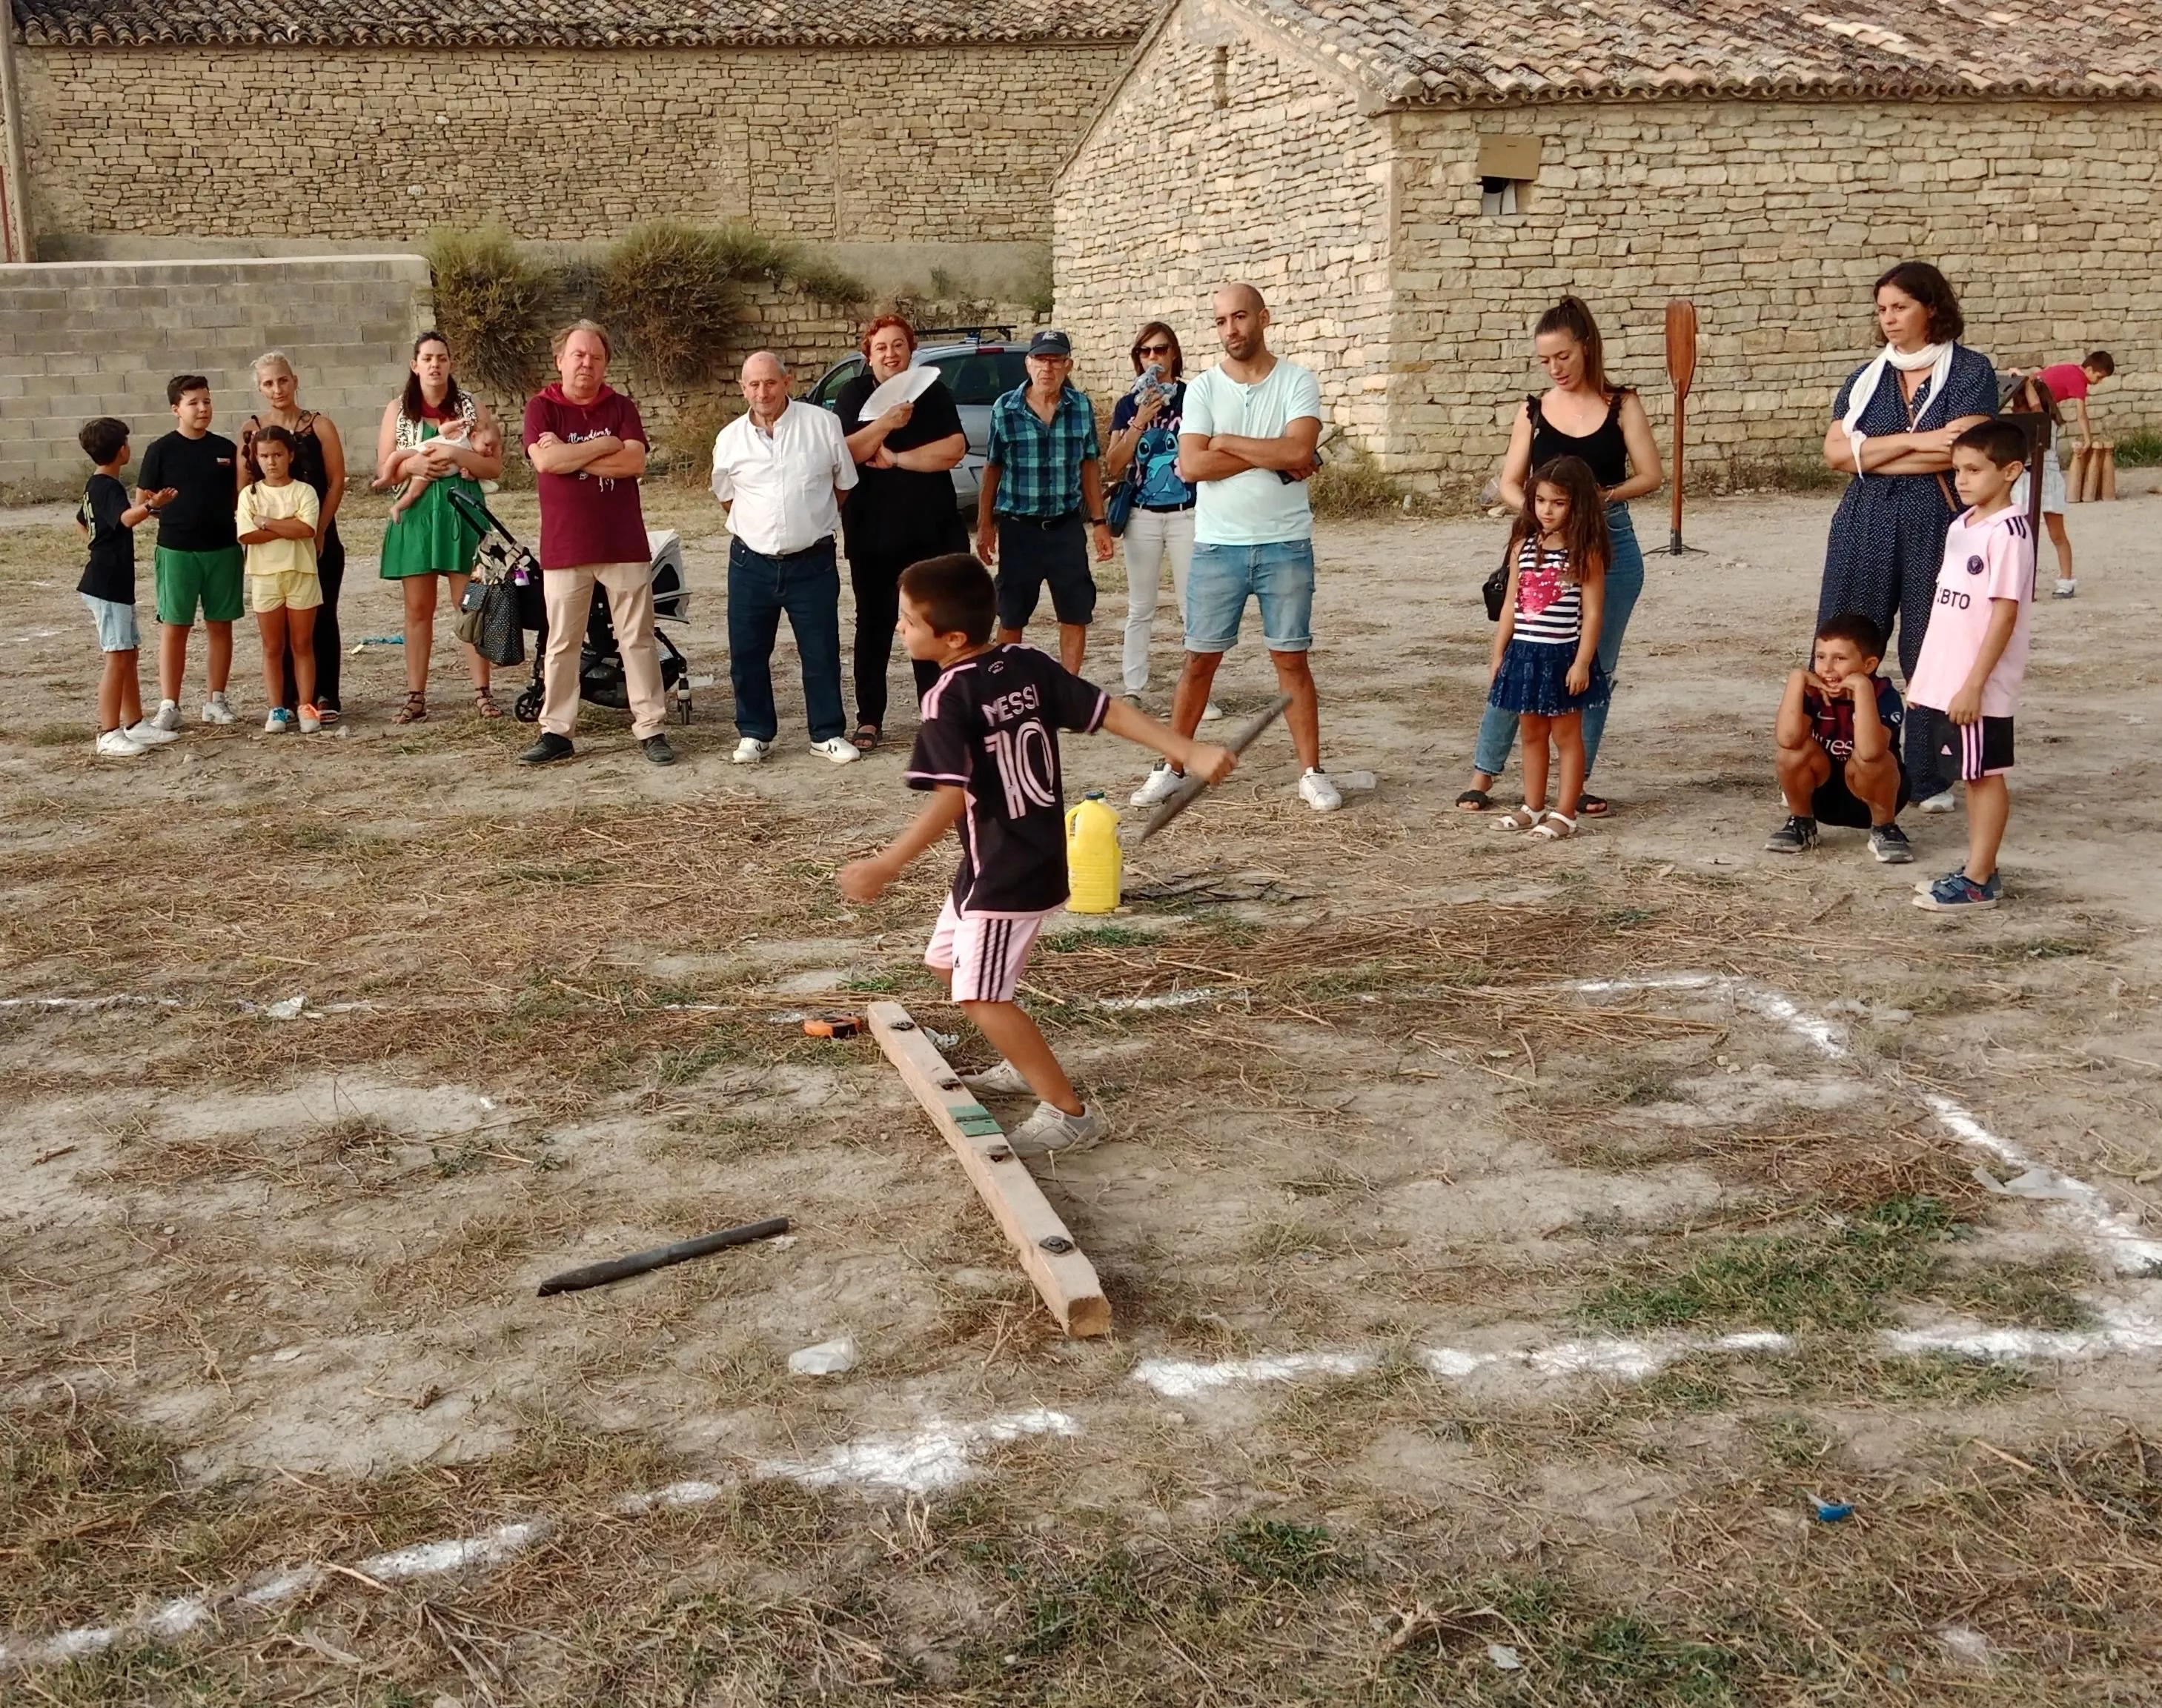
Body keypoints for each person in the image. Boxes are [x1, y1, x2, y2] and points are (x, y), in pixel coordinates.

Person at [836, 553, 1234, 1157]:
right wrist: (1187, 748)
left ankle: (1068, 1113)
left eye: (908, 622)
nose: (900, 630)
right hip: (996, 860)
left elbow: (950, 797)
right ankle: (1020, 1061)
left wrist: (887, 863)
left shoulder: (948, 696)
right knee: (947, 962)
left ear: (952, 637)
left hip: (1008, 867)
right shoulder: (1024, 662)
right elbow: (1109, 711)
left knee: (980, 995)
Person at [1133, 282, 1340, 813]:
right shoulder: (1202, 388)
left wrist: (1224, 441)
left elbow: (1299, 448)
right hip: (1218, 545)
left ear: (1263, 318)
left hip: (1284, 543)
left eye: (1240, 317)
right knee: (1198, 661)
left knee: (1291, 659)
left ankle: (1311, 772)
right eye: (1221, 321)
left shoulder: (1296, 380)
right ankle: (1172, 766)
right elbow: (1192, 466)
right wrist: (1269, 454)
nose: (1230, 330)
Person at [1456, 296, 1662, 817]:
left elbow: (1650, 475)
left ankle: (1576, 781)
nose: (1555, 369)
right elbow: (1507, 480)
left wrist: (1598, 500)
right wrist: (1542, 511)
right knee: (1519, 658)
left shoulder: (1622, 403)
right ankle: (1483, 772)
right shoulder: (1532, 409)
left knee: (1592, 665)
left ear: (1586, 347)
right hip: (1538, 543)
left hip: (1608, 540)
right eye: (1545, 360)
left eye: (1563, 356)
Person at [1817, 262, 1997, 810]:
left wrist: (1869, 452)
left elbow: (1958, 452)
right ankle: (1831, 758)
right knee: (1848, 638)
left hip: (1935, 520)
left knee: (1931, 644)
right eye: (1881, 309)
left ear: (1931, 309)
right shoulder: (1864, 378)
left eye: (1899, 307)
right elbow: (1833, 454)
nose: (1889, 319)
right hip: (1864, 519)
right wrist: (1916, 442)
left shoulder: (1970, 371)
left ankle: (1927, 773)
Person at [521, 321, 674, 767]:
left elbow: (634, 461)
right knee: (562, 642)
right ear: (560, 360)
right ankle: (557, 731)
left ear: (605, 363)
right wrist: (605, 445)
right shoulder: (541, 408)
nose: (587, 363)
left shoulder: (620, 406)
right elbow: (546, 461)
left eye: (596, 357)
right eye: (578, 355)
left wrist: (578, 454)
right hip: (567, 547)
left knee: (637, 639)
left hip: (623, 542)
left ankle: (651, 727)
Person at [1907, 421, 2037, 912]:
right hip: (1951, 681)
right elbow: (1948, 610)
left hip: (1979, 686)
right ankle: (1974, 868)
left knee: (1985, 774)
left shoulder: (2008, 533)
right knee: (1969, 773)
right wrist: (1929, 679)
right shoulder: (1961, 525)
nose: (1961, 480)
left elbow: (2003, 614)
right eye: (1956, 469)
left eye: (1973, 470)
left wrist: (1973, 685)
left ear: (2009, 471)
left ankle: (1980, 878)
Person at [712, 350, 861, 767]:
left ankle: (827, 733)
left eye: (771, 382)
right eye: (754, 385)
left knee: (820, 650)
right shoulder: (730, 439)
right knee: (747, 652)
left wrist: (806, 518)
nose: (763, 392)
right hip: (750, 563)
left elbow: (843, 484)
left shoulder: (823, 425)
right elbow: (727, 496)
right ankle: (755, 733)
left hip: (811, 562)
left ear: (787, 381)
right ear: (743, 388)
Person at [836, 315, 968, 750]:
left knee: (932, 625)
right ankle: (870, 718)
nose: (891, 354)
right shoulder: (853, 394)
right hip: (873, 536)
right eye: (881, 347)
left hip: (933, 534)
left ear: (911, 351)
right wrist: (885, 425)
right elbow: (849, 454)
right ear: (867, 354)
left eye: (898, 345)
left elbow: (953, 450)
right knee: (873, 625)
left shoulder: (934, 393)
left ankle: (936, 717)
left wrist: (897, 459)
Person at [374, 331, 505, 723]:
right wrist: (412, 465)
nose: (435, 365)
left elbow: (494, 465)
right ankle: (416, 695)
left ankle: (483, 692)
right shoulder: (398, 409)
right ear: (415, 365)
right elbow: (385, 466)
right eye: (427, 358)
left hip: (461, 507)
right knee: (417, 608)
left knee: (470, 603)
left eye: (442, 358)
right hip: (417, 513)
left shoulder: (470, 406)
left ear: (450, 363)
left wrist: (452, 452)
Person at [1482, 456, 1608, 841]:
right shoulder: (1523, 545)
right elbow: (1511, 605)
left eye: (1558, 502)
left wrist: (1582, 662)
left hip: (1562, 657)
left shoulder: (1585, 552)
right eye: (1540, 501)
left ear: (1577, 505)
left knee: (1567, 738)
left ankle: (1565, 813)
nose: (1547, 511)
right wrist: (1499, 653)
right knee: (1531, 733)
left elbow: (1592, 613)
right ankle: (1532, 806)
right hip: (1525, 654)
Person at [976, 328, 1112, 673]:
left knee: (1074, 611)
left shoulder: (1080, 407)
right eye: (1040, 359)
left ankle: (1068, 690)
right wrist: (985, 524)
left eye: (1054, 360)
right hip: (1019, 528)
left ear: (1068, 365)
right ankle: (1008, 688)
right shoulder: (1006, 408)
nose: (1046, 369)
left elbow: (1090, 465)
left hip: (1066, 527)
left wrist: (1100, 523)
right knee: (1012, 613)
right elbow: (992, 468)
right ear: (1028, 363)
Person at [1104, 321, 1212, 715]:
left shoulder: (1195, 397)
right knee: (1140, 606)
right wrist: (1138, 421)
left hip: (1187, 513)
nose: (1154, 359)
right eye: (1145, 352)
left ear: (1174, 355)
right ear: (1137, 359)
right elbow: (1114, 465)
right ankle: (1134, 688)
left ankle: (1198, 693)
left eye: (1161, 350)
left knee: (1192, 605)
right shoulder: (1128, 404)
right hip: (1142, 515)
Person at [240, 353, 348, 726]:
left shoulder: (320, 426)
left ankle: (324, 695)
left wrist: (318, 531)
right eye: (268, 383)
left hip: (318, 535)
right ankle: (284, 700)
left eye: (282, 380)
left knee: (320, 616)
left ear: (295, 380)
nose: (277, 389)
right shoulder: (252, 430)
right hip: (271, 546)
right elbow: (244, 490)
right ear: (260, 388)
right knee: (277, 627)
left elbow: (336, 481)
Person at [1765, 612, 1912, 863]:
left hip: (1870, 796)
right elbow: (1787, 740)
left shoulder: (1883, 695)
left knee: (1875, 760)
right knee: (1793, 753)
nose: (1827, 668)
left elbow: (1870, 752)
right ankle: (1802, 822)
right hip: (1823, 795)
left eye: (1840, 658)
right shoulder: (1813, 692)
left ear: (1869, 665)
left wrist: (1863, 689)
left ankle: (1885, 829)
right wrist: (1796, 680)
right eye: (1820, 657)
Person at [139, 375, 242, 731]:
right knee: (175, 626)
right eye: (194, 403)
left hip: (223, 549)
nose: (203, 409)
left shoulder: (227, 449)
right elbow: (144, 503)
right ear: (176, 409)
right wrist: (158, 507)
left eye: (207, 401)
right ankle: (169, 704)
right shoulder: (161, 450)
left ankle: (217, 699)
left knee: (220, 625)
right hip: (177, 550)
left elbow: (238, 497)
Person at [74, 416, 179, 757]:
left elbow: (81, 522)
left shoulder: (96, 485)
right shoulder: (107, 486)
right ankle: (107, 732)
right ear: (122, 450)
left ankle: (134, 723)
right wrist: (151, 506)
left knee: (129, 653)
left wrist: (97, 541)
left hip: (115, 582)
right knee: (117, 657)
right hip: (106, 584)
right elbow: (125, 519)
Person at [235, 426, 323, 734]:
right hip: (265, 576)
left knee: (302, 644)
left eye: (277, 455)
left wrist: (267, 523)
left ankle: (306, 705)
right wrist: (286, 526)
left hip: (301, 573)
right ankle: (277, 707)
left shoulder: (304, 491)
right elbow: (247, 534)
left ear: (290, 455)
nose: (271, 462)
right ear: (255, 458)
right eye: (264, 456)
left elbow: (306, 530)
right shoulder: (250, 494)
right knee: (273, 646)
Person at [2016, 350, 2115, 598]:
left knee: (2054, 531)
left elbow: (2037, 394)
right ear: (2090, 369)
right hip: (2029, 468)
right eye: (2099, 377)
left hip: (2043, 463)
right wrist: (2088, 438)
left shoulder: (2066, 376)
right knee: (2023, 532)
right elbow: (2081, 413)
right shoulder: (2077, 378)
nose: (2097, 382)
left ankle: (2066, 580)